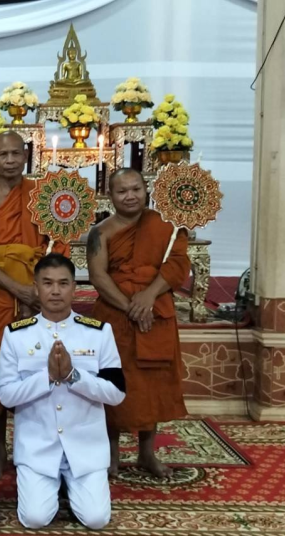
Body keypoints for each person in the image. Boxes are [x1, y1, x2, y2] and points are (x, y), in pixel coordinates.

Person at [0, 130, 71, 478]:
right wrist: (17, 290)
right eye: (2, 155)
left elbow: (57, 247)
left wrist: (37, 293)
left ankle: (38, 443)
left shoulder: (43, 196)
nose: (9, 161)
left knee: (37, 367)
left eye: (16, 154)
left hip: (38, 295)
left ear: (26, 156)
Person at [0, 254, 125, 530]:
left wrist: (72, 376)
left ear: (75, 288)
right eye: (48, 283)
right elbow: (6, 395)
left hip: (86, 446)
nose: (55, 291)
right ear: (36, 288)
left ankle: (70, 486)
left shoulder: (99, 333)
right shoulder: (16, 334)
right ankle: (51, 485)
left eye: (63, 283)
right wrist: (47, 377)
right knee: (34, 519)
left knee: (96, 520)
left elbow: (116, 393)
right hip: (37, 447)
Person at [86, 168, 189, 478]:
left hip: (155, 311)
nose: (130, 196)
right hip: (116, 314)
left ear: (147, 190)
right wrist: (131, 306)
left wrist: (149, 296)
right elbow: (98, 276)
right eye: (122, 191)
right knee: (113, 382)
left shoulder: (167, 227)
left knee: (152, 383)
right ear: (110, 195)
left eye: (136, 189)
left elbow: (178, 265)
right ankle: (111, 455)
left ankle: (147, 453)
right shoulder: (100, 232)